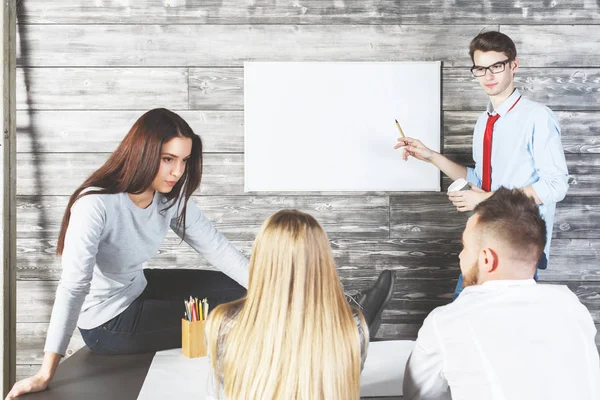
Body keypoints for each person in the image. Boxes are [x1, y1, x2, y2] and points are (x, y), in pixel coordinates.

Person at [6, 108, 251, 399]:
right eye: (168, 159)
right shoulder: (95, 205)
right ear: (143, 152)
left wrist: (280, 287)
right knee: (230, 312)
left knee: (247, 290)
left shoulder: (167, 198)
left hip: (138, 286)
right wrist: (45, 374)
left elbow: (218, 248)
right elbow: (73, 287)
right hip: (108, 322)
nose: (178, 171)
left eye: (184, 160)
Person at [395, 31, 568, 298]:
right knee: (469, 319)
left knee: (484, 322)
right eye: (480, 68)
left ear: (514, 65)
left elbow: (555, 186)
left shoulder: (537, 117)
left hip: (516, 242)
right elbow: (481, 178)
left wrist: (487, 199)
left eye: (496, 66)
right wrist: (431, 156)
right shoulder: (483, 122)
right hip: (484, 235)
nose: (488, 76)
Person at [403, 188, 600, 400]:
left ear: (487, 259)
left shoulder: (444, 322)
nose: (460, 256)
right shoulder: (571, 305)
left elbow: (418, 397)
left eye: (465, 247)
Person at [206, 210, 390, 400]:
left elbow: (230, 385)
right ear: (323, 261)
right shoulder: (353, 327)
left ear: (261, 258)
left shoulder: (222, 323)